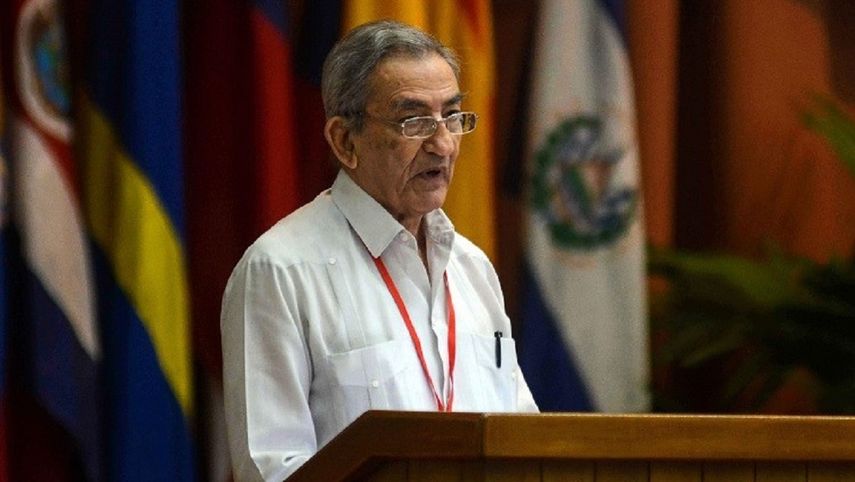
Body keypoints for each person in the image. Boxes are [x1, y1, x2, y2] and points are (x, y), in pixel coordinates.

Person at [220, 20, 539, 482]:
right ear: (344, 141)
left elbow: (522, 438)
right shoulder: (280, 272)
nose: (444, 143)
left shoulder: (472, 268)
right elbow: (273, 471)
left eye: (452, 116)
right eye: (415, 121)